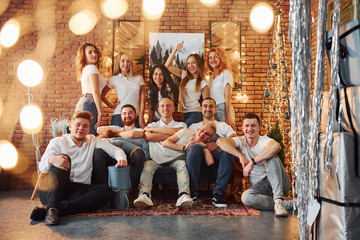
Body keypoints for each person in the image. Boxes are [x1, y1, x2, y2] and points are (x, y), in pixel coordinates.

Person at [30, 111, 127, 225]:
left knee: (106, 191)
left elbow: (115, 150)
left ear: (88, 129)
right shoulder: (57, 142)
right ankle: (52, 207)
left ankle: (54, 210)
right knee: (63, 159)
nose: (81, 128)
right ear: (70, 127)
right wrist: (52, 160)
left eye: (85, 126)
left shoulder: (92, 140)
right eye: (78, 125)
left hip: (77, 191)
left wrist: (121, 158)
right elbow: (42, 167)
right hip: (52, 190)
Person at [216, 113, 294, 217]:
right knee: (246, 198)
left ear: (259, 128)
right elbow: (220, 142)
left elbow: (276, 147)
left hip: (280, 183)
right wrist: (240, 155)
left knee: (271, 156)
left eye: (253, 125)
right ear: (242, 128)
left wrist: (252, 162)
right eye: (247, 126)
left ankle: (279, 200)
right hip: (261, 188)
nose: (250, 129)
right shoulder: (241, 141)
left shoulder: (264, 140)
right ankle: (288, 205)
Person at [133, 98, 193, 210]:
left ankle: (184, 195)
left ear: (174, 108)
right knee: (147, 166)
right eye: (163, 106)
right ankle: (144, 195)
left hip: (176, 158)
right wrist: (174, 134)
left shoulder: (182, 125)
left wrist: (157, 133)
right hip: (156, 158)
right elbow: (148, 136)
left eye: (169, 105)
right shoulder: (151, 124)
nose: (166, 108)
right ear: (159, 109)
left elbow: (181, 130)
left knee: (182, 166)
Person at [186, 97, 237, 207]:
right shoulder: (193, 126)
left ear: (215, 109)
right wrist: (203, 147)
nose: (208, 109)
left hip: (217, 156)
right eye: (205, 106)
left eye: (211, 106)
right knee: (194, 148)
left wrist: (216, 145)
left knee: (228, 151)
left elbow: (235, 140)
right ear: (201, 109)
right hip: (197, 156)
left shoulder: (223, 126)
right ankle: (191, 193)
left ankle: (218, 194)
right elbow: (187, 144)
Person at [94, 104, 149, 189]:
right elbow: (99, 130)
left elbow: (132, 134)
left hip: (133, 157)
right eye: (124, 114)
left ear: (135, 115)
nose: (127, 116)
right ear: (121, 116)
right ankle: (103, 188)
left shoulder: (141, 130)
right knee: (98, 152)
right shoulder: (117, 127)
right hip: (114, 156)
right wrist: (122, 131)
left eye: (130, 113)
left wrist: (114, 135)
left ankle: (132, 189)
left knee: (139, 152)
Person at [165, 41, 210, 127]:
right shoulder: (184, 75)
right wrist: (175, 50)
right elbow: (167, 66)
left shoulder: (203, 82)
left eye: (193, 62)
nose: (190, 65)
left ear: (199, 64)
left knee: (181, 131)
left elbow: (207, 102)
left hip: (196, 113)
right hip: (185, 113)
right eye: (188, 63)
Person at [101, 52, 146, 128]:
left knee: (137, 139)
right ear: (118, 62)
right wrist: (111, 105)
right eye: (123, 61)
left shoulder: (138, 78)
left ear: (131, 63)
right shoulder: (114, 79)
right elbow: (102, 95)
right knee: (118, 139)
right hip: (119, 115)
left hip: (135, 115)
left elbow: (143, 99)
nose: (126, 63)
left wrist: (141, 116)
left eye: (128, 61)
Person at [75, 43, 107, 135]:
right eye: (90, 52)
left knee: (85, 137)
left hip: (86, 102)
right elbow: (95, 92)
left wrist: (111, 105)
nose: (94, 54)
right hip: (89, 103)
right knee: (89, 138)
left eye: (95, 52)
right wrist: (100, 113)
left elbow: (100, 94)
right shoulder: (92, 68)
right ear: (84, 56)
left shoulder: (88, 68)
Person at [207, 47, 235, 129]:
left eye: (216, 57)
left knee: (226, 135)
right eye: (210, 58)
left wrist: (228, 116)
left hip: (223, 108)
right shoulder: (211, 77)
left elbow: (228, 96)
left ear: (221, 58)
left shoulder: (226, 72)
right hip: (213, 109)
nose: (213, 59)